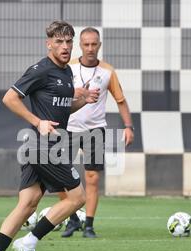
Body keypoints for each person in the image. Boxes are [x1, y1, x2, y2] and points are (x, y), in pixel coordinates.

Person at [0, 21, 99, 251]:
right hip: (45, 146)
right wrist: (37, 121)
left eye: (68, 41)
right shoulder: (40, 70)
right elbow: (9, 98)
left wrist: (82, 100)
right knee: (77, 199)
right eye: (59, 42)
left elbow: (62, 110)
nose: (65, 46)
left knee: (27, 204)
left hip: (38, 146)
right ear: (49, 44)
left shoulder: (66, 73)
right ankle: (30, 241)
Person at [59, 27, 135, 238]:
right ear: (80, 45)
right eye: (86, 44)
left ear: (99, 45)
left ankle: (89, 225)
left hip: (95, 130)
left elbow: (121, 101)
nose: (90, 48)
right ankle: (72, 219)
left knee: (92, 178)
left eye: (94, 44)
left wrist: (129, 127)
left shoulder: (107, 71)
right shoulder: (68, 68)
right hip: (68, 128)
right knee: (57, 177)